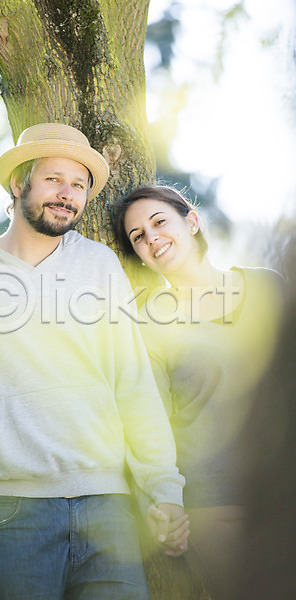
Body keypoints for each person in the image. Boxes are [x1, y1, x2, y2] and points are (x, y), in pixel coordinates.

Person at [0, 124, 189, 600]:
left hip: (110, 512)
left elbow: (133, 384)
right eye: (54, 179)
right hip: (10, 511)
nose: (68, 195)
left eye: (79, 185)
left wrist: (163, 488)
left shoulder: (99, 265)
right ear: (19, 183)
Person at [113, 184, 283, 600]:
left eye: (158, 222)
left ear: (191, 221)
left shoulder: (269, 287)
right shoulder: (148, 322)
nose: (151, 238)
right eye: (138, 237)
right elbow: (147, 421)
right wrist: (160, 503)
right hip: (216, 500)